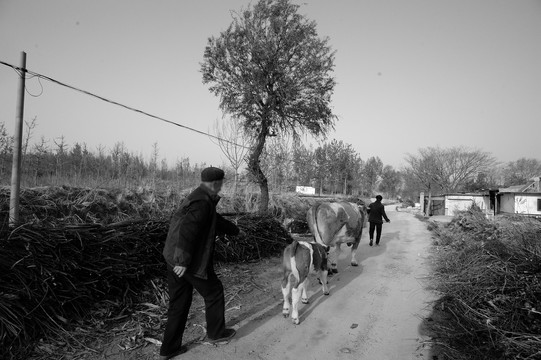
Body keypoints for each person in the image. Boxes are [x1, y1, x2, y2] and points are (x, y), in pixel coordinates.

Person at [160, 166, 240, 360]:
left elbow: (215, 220)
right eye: (221, 183)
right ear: (215, 183)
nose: (222, 187)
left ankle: (169, 349)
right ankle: (216, 334)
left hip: (173, 257)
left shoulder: (199, 197)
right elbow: (188, 230)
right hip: (186, 261)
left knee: (179, 303)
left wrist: (235, 230)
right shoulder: (202, 202)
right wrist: (182, 261)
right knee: (214, 292)